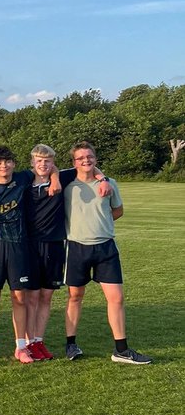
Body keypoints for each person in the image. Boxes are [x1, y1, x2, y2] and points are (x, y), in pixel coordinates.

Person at [62, 141, 151, 364]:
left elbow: (118, 210)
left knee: (116, 298)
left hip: (106, 247)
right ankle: (71, 345)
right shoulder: (67, 184)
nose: (86, 160)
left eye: (89, 156)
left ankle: (121, 350)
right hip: (76, 247)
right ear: (74, 162)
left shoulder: (109, 183)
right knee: (75, 296)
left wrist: (100, 223)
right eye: (80, 157)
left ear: (96, 159)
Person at [0, 146, 58, 364]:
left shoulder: (23, 178)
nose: (4, 166)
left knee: (19, 297)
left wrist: (55, 179)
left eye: (7, 161)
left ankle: (21, 348)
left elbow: (49, 167)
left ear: (14, 164)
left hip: (20, 246)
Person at [23, 144, 68, 360]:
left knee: (46, 296)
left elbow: (91, 168)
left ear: (53, 163)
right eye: (39, 160)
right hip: (30, 245)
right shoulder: (23, 181)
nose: (43, 164)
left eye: (47, 161)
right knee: (31, 297)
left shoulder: (61, 179)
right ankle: (28, 342)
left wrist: (57, 176)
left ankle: (39, 341)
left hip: (54, 244)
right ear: (32, 162)